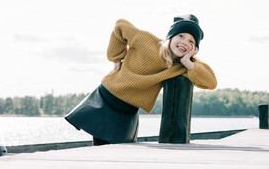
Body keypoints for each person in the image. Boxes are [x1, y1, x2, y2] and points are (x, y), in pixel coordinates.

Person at [65, 14, 217, 145]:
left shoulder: (182, 66)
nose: (185, 42)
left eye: (192, 41)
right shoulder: (147, 41)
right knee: (101, 152)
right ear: (171, 37)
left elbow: (211, 82)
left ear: (194, 49)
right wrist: (116, 57)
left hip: (129, 112)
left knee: (117, 157)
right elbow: (120, 25)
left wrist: (188, 62)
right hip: (105, 100)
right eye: (181, 36)